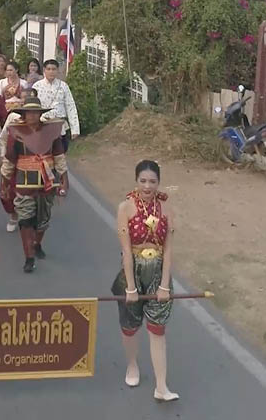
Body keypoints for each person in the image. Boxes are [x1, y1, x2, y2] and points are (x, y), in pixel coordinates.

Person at [110, 160, 178, 402]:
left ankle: (161, 385)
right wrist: (130, 286)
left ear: (158, 182)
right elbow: (126, 251)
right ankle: (132, 365)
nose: (147, 186)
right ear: (136, 181)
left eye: (152, 181)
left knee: (158, 328)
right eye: (143, 181)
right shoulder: (125, 208)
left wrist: (165, 284)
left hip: (158, 270)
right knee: (130, 325)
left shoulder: (167, 209)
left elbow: (169, 250)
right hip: (134, 269)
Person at [0, 96, 68, 273]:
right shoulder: (16, 132)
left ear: (40, 114)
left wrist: (64, 180)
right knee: (25, 220)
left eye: (35, 112)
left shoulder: (51, 132)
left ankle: (37, 243)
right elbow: (9, 160)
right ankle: (29, 256)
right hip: (24, 182)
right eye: (29, 112)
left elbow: (59, 157)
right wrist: (5, 183)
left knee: (43, 220)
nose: (32, 116)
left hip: (47, 182)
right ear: (23, 114)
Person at [0, 88, 37, 232]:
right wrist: (1, 156)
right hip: (13, 162)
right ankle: (13, 215)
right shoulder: (12, 118)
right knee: (7, 192)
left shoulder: (44, 122)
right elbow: (2, 139)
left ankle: (31, 220)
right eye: (25, 99)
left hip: (33, 165)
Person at [33, 59, 80, 152]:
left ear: (57, 70)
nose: (51, 72)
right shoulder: (36, 86)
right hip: (42, 126)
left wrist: (75, 129)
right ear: (44, 70)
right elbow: (32, 107)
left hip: (59, 126)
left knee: (60, 153)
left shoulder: (63, 86)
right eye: (49, 69)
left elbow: (70, 107)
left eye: (54, 69)